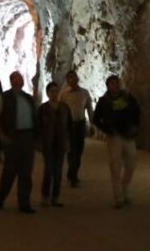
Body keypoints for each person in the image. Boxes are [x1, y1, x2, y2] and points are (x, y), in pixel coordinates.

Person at [0, 71, 37, 213]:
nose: (20, 80)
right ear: (11, 81)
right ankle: (0, 198)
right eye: (17, 78)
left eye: (21, 78)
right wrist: (1, 136)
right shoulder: (4, 97)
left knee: (26, 171)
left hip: (27, 136)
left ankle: (24, 203)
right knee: (10, 170)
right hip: (12, 137)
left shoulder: (28, 98)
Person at [92, 75, 141, 208]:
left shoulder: (128, 97)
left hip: (128, 135)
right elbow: (96, 119)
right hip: (114, 136)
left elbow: (137, 111)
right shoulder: (104, 101)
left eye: (117, 83)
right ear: (108, 86)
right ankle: (118, 197)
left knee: (131, 164)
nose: (115, 85)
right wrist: (107, 130)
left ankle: (124, 189)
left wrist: (135, 126)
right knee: (115, 166)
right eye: (112, 83)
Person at [59, 69, 94, 187]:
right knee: (72, 150)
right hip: (69, 125)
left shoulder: (84, 93)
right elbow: (60, 111)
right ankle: (73, 175)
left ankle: (72, 173)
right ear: (67, 80)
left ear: (77, 79)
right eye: (69, 77)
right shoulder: (64, 95)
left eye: (73, 77)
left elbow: (89, 108)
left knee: (79, 150)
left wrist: (92, 124)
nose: (72, 79)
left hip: (80, 124)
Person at [37, 82, 71, 207]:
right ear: (47, 93)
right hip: (48, 143)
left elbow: (69, 126)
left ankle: (56, 197)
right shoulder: (42, 109)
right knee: (48, 169)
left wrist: (68, 141)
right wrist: (39, 142)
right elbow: (38, 127)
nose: (54, 93)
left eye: (56, 91)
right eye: (52, 91)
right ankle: (45, 196)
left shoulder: (64, 108)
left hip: (60, 142)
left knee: (58, 171)